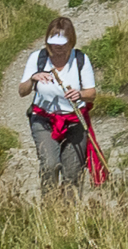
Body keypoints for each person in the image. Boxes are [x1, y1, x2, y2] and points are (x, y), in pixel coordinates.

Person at [23, 18, 100, 192]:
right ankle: (49, 204)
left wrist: (80, 94)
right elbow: (22, 91)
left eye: (62, 42)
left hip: (75, 121)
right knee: (50, 165)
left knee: (72, 173)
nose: (57, 47)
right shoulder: (38, 58)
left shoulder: (80, 59)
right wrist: (33, 78)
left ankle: (69, 208)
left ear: (71, 40)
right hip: (43, 120)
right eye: (54, 42)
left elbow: (92, 94)